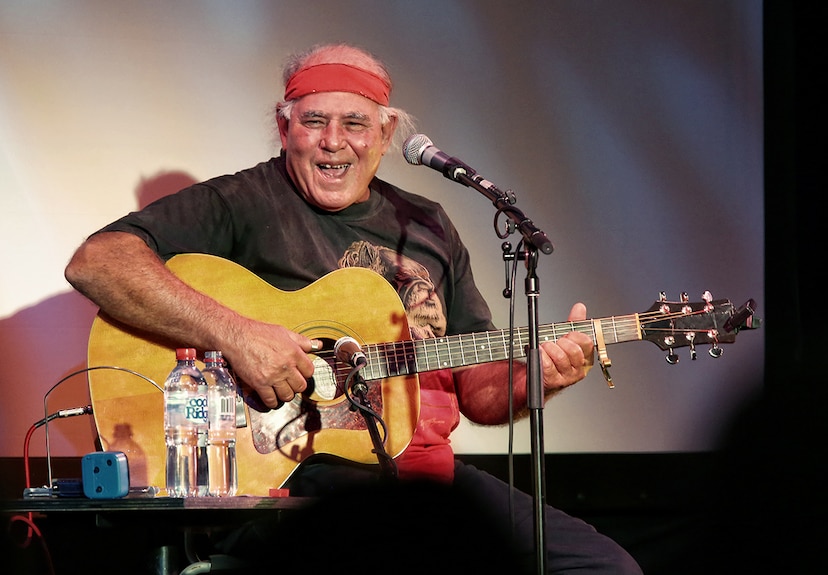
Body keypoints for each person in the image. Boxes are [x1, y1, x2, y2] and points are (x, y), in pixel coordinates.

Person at [65, 43, 642, 574]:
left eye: (355, 123)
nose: (333, 140)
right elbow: (98, 262)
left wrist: (539, 378)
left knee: (602, 567)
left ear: (386, 135)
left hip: (426, 479)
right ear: (284, 128)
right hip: (301, 473)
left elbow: (480, 390)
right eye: (314, 120)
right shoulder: (242, 202)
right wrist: (238, 336)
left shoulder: (428, 224)